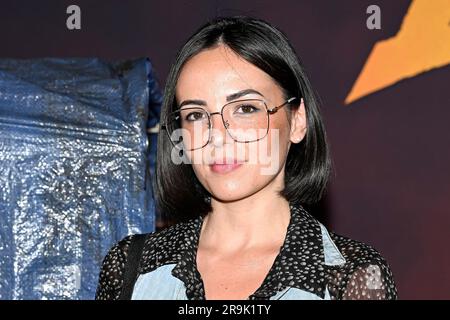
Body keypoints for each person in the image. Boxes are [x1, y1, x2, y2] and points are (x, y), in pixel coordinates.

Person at [95, 16, 397, 300]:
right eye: (196, 115)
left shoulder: (351, 277)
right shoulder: (130, 270)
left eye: (245, 108)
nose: (217, 134)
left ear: (298, 120)